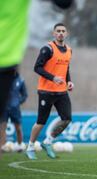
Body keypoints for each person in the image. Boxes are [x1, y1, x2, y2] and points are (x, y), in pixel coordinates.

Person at [26, 23, 74, 160]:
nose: (60, 33)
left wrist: (69, 81)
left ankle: (47, 142)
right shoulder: (48, 49)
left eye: (63, 31)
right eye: (58, 31)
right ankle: (30, 147)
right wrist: (53, 78)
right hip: (46, 91)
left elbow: (66, 69)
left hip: (61, 91)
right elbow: (37, 68)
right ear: (54, 33)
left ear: (67, 33)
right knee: (41, 121)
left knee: (67, 119)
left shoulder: (69, 50)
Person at [0, 71, 28, 152]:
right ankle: (2, 146)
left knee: (18, 128)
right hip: (4, 108)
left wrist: (18, 102)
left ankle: (19, 146)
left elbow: (24, 95)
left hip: (15, 109)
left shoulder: (20, 80)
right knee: (2, 127)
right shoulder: (3, 79)